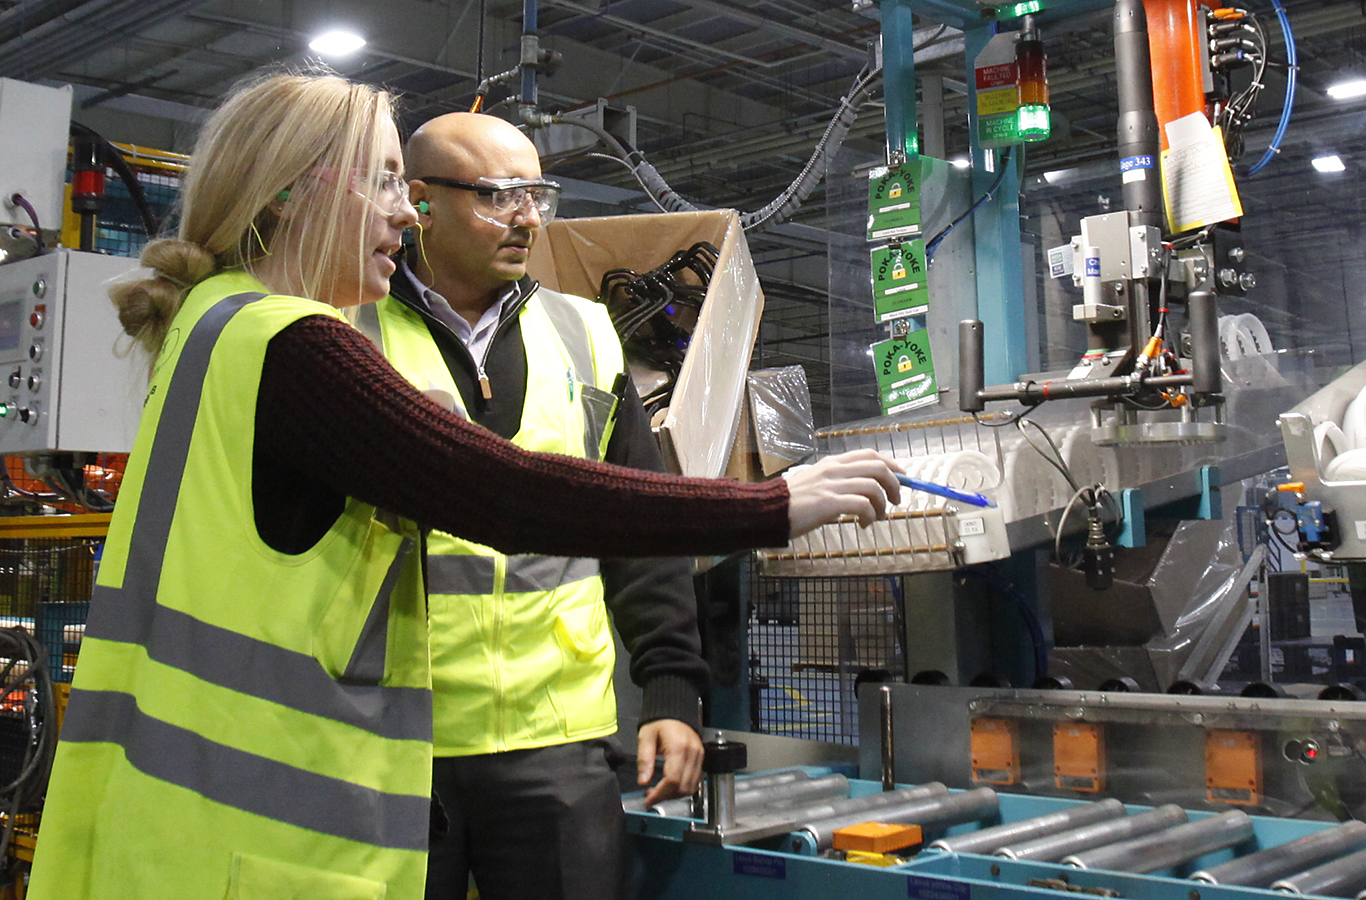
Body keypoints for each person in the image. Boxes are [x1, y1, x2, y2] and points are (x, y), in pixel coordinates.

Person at [28, 72, 900, 900]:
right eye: (385, 185)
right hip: (269, 828)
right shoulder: (300, 342)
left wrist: (671, 683)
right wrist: (776, 503)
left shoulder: (212, 321)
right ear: (295, 190)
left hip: (183, 807)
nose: (401, 212)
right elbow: (501, 492)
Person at [361, 111, 705, 899]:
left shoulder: (584, 334)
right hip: (394, 738)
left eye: (536, 195)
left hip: (556, 743)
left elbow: (642, 526)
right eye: (498, 196)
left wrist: (671, 691)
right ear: (421, 202)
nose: (527, 218)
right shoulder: (350, 331)